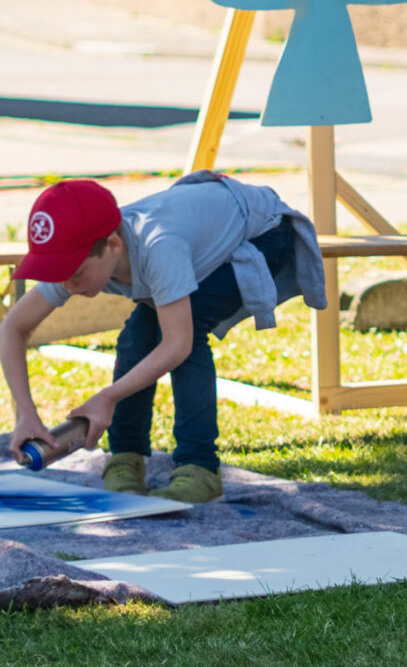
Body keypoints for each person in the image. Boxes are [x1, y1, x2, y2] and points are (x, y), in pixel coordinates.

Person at [2, 174, 325, 504]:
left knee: (188, 327)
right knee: (137, 336)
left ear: (113, 245)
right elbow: (12, 328)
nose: (66, 284)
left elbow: (178, 344)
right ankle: (125, 459)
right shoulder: (80, 255)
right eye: (57, 271)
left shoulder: (158, 245)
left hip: (263, 232)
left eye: (75, 273)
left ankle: (200, 468)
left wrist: (108, 397)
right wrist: (25, 414)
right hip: (199, 231)